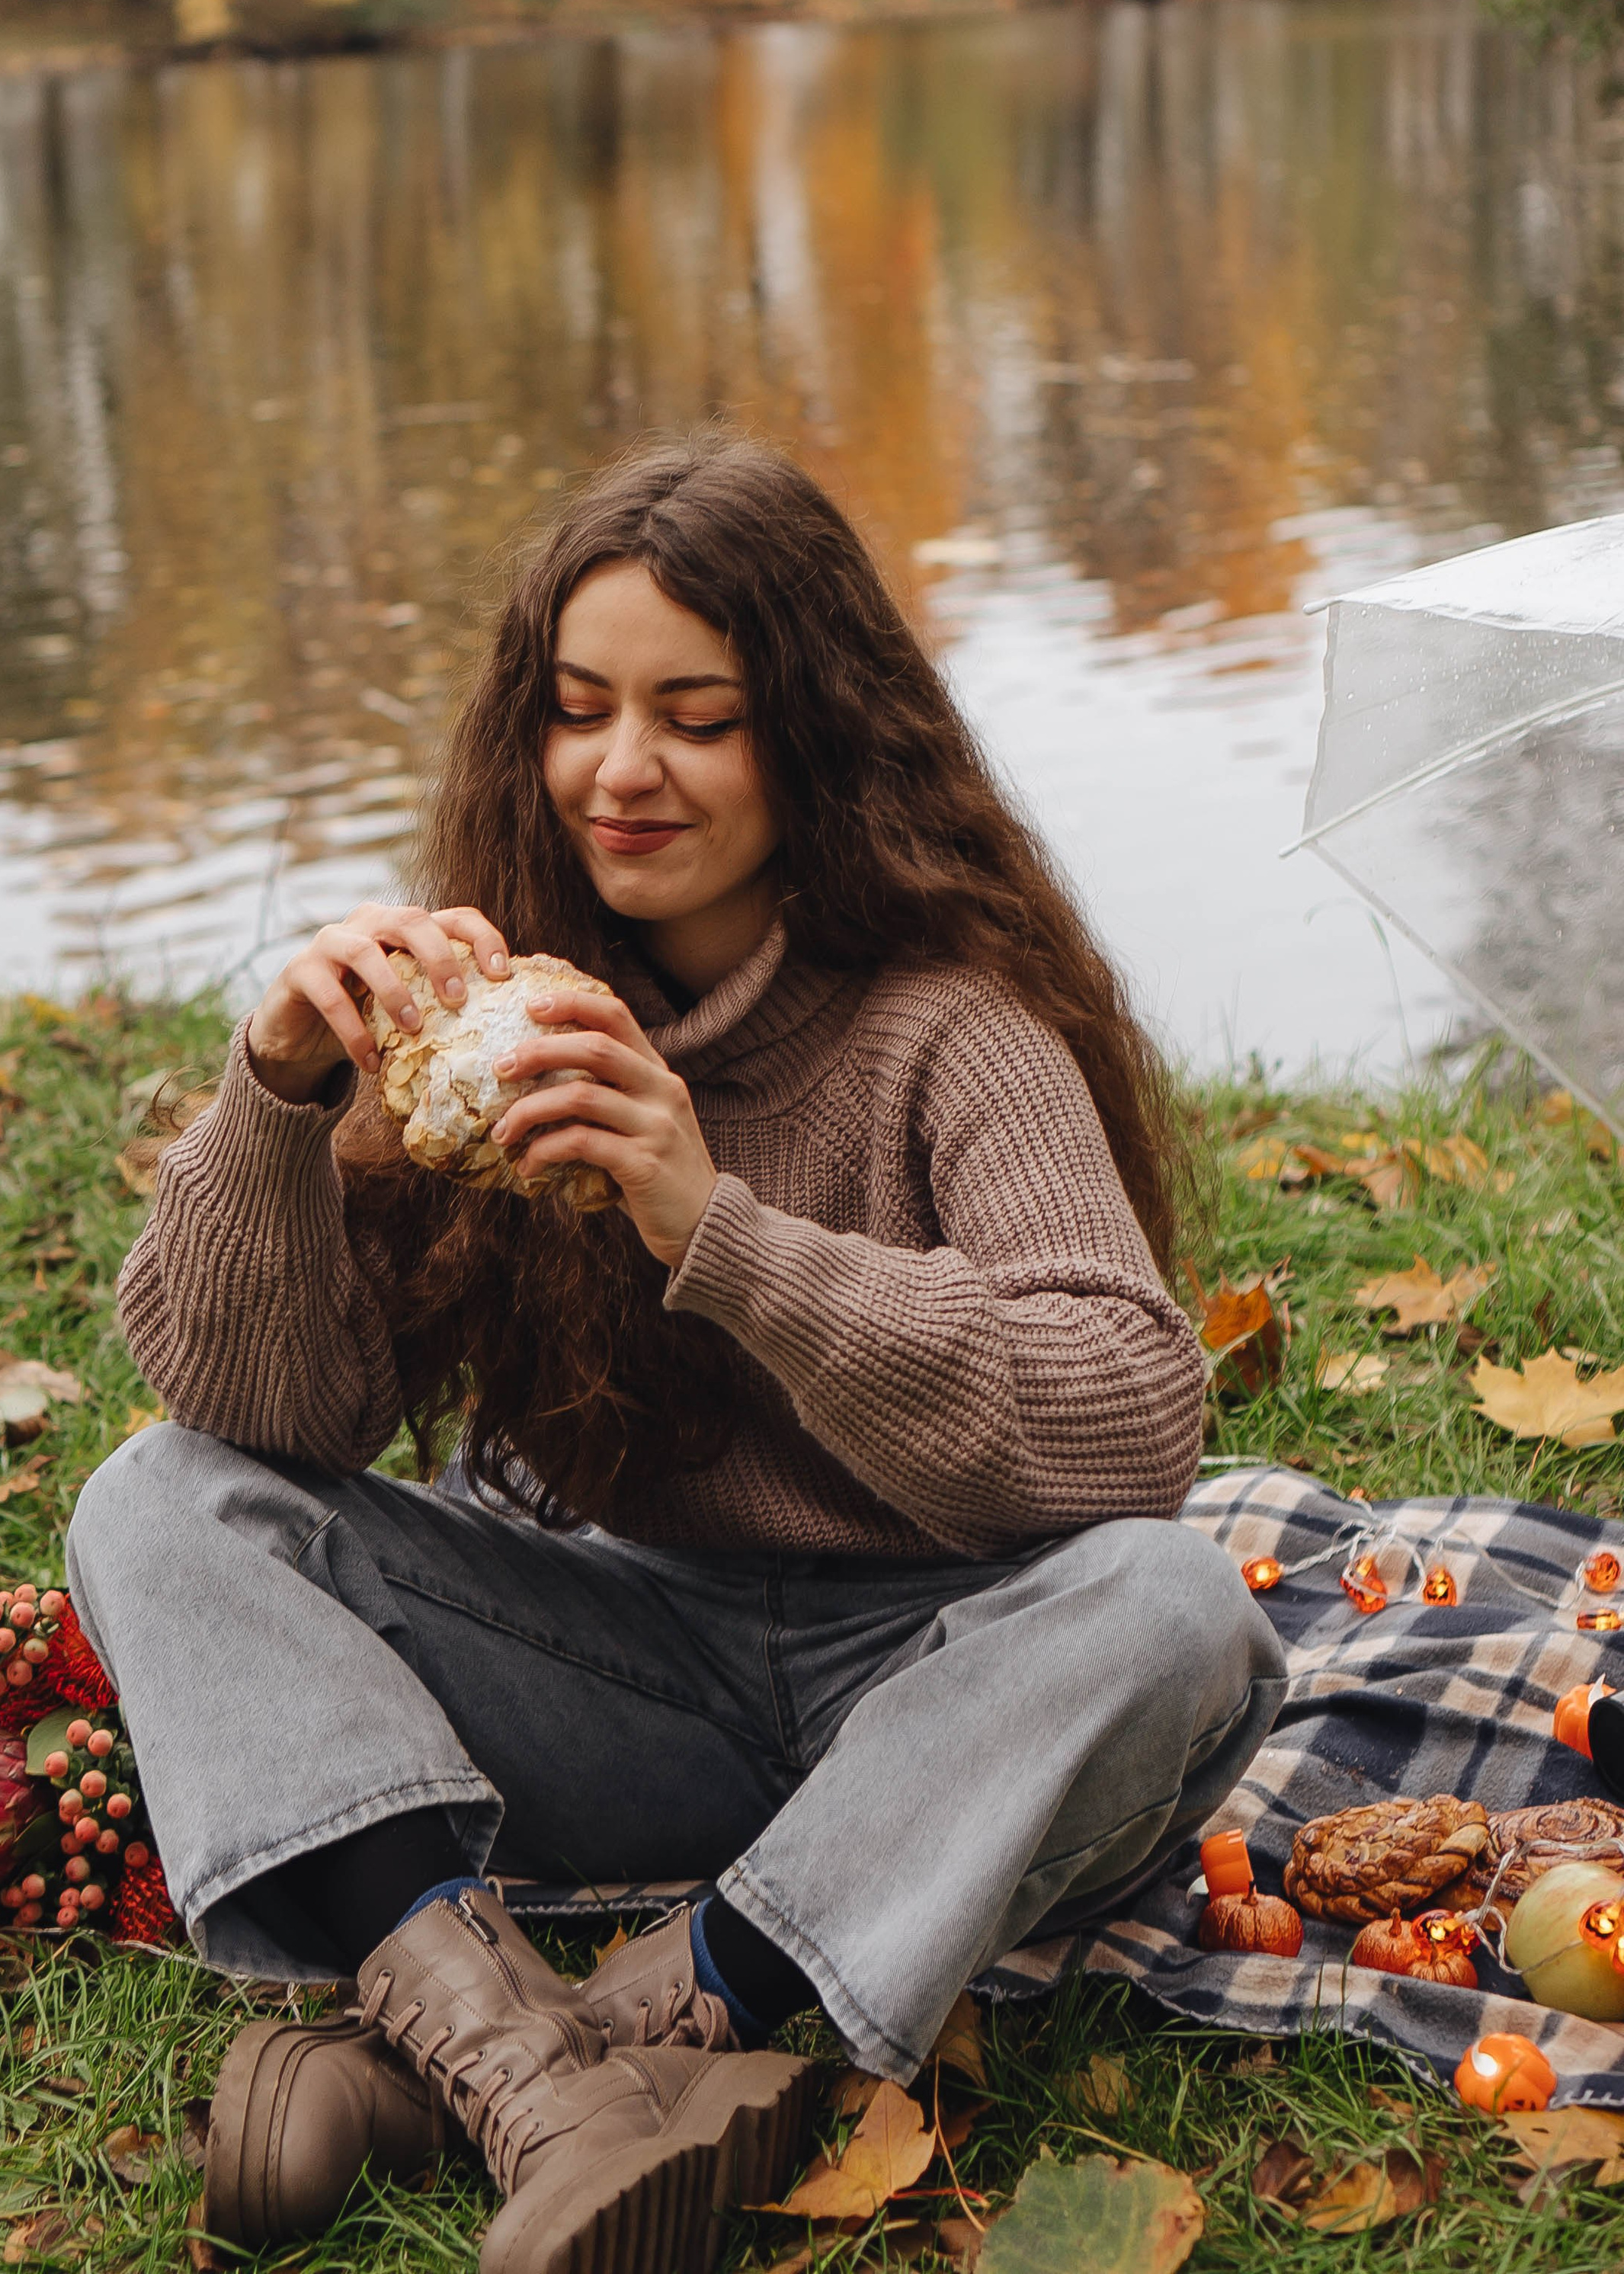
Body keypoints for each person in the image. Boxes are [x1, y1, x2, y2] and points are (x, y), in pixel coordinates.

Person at [68, 434, 1286, 2274]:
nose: (619, 773)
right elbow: (272, 1419)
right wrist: (280, 1107)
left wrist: (714, 1227)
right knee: (158, 1501)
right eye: (576, 711)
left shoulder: (950, 1030)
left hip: (946, 1693)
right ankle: (522, 2069)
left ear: (810, 735)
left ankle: (641, 2022)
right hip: (625, 1667)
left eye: (693, 718)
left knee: (1177, 1613)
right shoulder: (483, 1013)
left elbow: (1126, 1424)